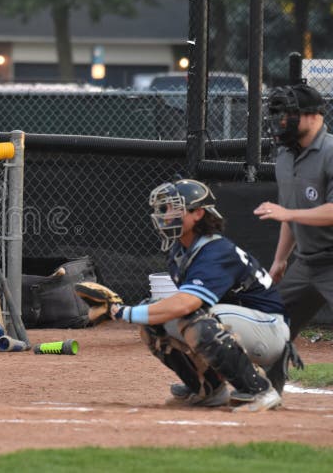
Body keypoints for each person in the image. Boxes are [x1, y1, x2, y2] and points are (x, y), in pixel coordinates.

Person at [96, 179, 293, 412]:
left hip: (269, 328)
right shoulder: (180, 252)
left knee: (191, 318)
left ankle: (258, 389)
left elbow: (187, 304)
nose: (164, 215)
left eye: (172, 208)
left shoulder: (215, 250)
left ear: (198, 213)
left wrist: (124, 312)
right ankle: (206, 388)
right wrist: (138, 313)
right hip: (239, 322)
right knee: (153, 322)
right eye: (163, 209)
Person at [254, 83, 333, 341]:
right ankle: (264, 383)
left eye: (288, 114)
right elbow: (287, 215)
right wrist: (280, 260)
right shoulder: (285, 157)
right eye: (277, 113)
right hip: (308, 262)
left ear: (313, 116)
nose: (281, 120)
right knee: (272, 326)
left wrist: (288, 214)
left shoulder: (331, 152)